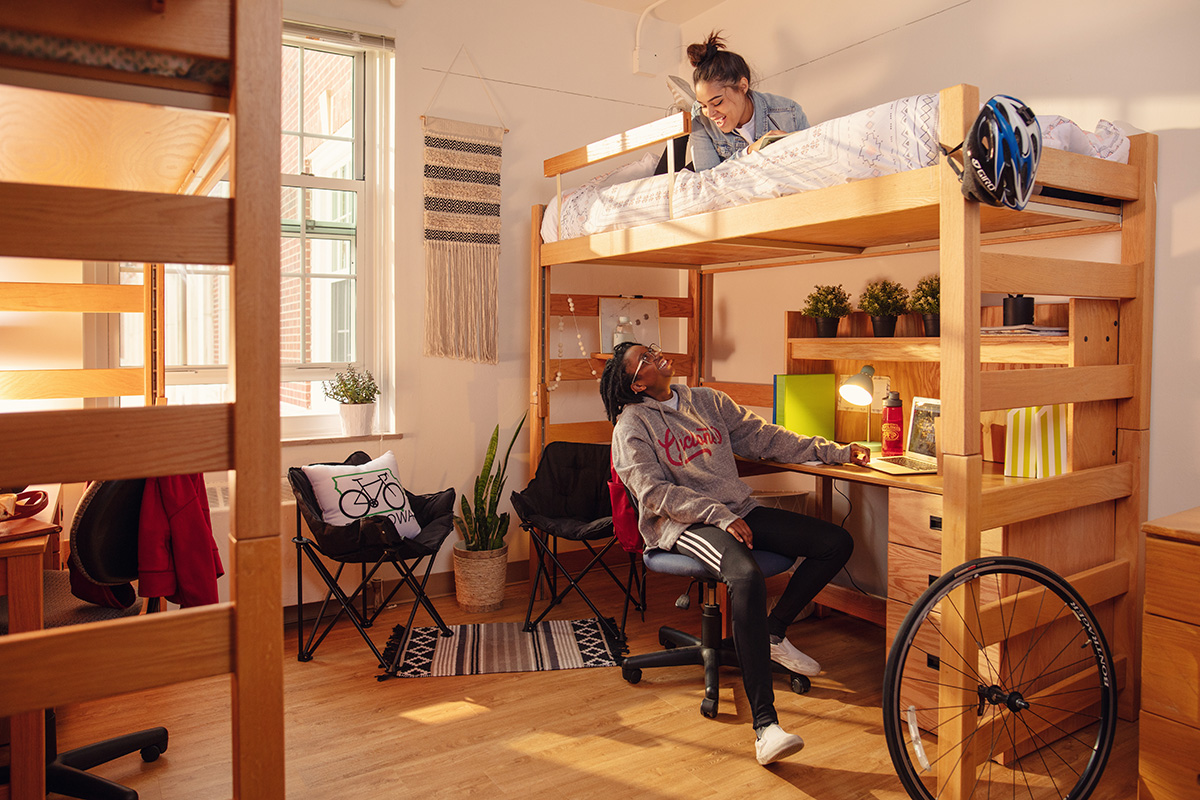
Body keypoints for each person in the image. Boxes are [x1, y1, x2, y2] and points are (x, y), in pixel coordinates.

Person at [601, 342, 870, 765]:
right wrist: (716, 514)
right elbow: (653, 494)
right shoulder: (631, 426)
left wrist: (836, 451)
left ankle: (773, 631)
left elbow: (765, 437)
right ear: (637, 382)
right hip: (685, 523)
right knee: (745, 576)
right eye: (645, 358)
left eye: (652, 349)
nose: (656, 355)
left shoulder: (706, 400)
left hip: (736, 511)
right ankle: (766, 726)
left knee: (834, 543)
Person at [686, 31, 809, 172]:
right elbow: (707, 179)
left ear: (743, 86)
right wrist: (750, 151)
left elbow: (812, 162)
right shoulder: (700, 117)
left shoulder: (789, 113)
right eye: (703, 105)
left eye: (718, 102)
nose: (711, 113)